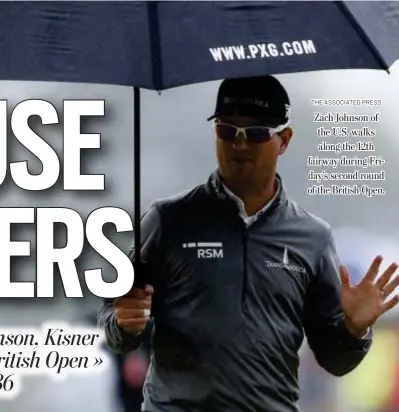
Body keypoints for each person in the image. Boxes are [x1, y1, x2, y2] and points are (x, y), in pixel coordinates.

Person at [97, 75, 399, 412]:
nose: (239, 145)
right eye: (228, 130)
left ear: (284, 140)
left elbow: (335, 360)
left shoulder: (312, 237)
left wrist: (355, 329)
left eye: (255, 133)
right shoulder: (168, 220)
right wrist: (125, 324)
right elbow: (114, 321)